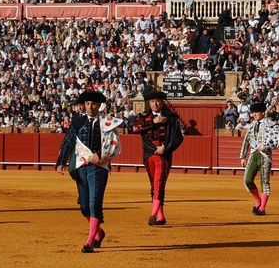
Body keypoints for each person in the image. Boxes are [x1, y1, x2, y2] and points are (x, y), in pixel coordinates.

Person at [55, 90, 121, 252]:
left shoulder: (107, 122)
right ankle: (98, 232)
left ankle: (90, 241)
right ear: (84, 105)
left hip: (99, 167)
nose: (90, 107)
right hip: (81, 166)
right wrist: (61, 161)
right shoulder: (78, 121)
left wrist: (100, 154)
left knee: (94, 203)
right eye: (87, 104)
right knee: (84, 206)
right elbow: (68, 141)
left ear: (99, 105)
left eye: (93, 104)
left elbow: (114, 143)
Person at [131, 89, 184, 226]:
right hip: (149, 155)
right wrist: (153, 122)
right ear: (149, 103)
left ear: (162, 102)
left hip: (163, 156)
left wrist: (166, 147)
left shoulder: (171, 117)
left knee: (159, 184)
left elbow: (178, 137)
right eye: (152, 101)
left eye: (158, 101)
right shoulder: (145, 117)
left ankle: (154, 214)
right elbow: (134, 129)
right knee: (154, 185)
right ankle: (160, 216)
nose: (155, 104)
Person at [240, 102, 279, 216]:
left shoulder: (271, 125)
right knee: (247, 180)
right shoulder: (251, 126)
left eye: (256, 112)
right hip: (253, 155)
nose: (253, 114)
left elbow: (278, 140)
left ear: (263, 112)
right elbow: (246, 141)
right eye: (252, 112)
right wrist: (243, 156)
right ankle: (258, 200)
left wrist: (267, 147)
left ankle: (262, 208)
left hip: (265, 156)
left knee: (264, 182)